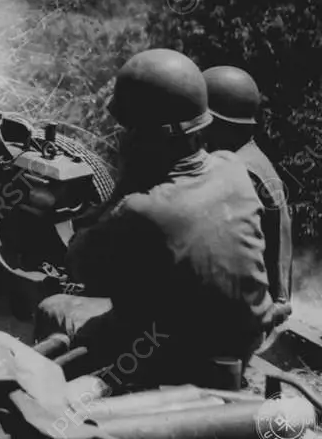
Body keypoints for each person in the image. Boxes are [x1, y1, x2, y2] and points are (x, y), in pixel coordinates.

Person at [34, 49, 279, 391]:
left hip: (171, 359)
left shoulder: (139, 209)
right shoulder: (232, 167)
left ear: (141, 136)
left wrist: (126, 183)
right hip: (245, 342)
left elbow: (78, 265)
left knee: (54, 307)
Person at [202, 65, 293, 331]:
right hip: (268, 306)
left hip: (246, 318)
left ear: (213, 121)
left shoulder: (235, 172)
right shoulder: (256, 160)